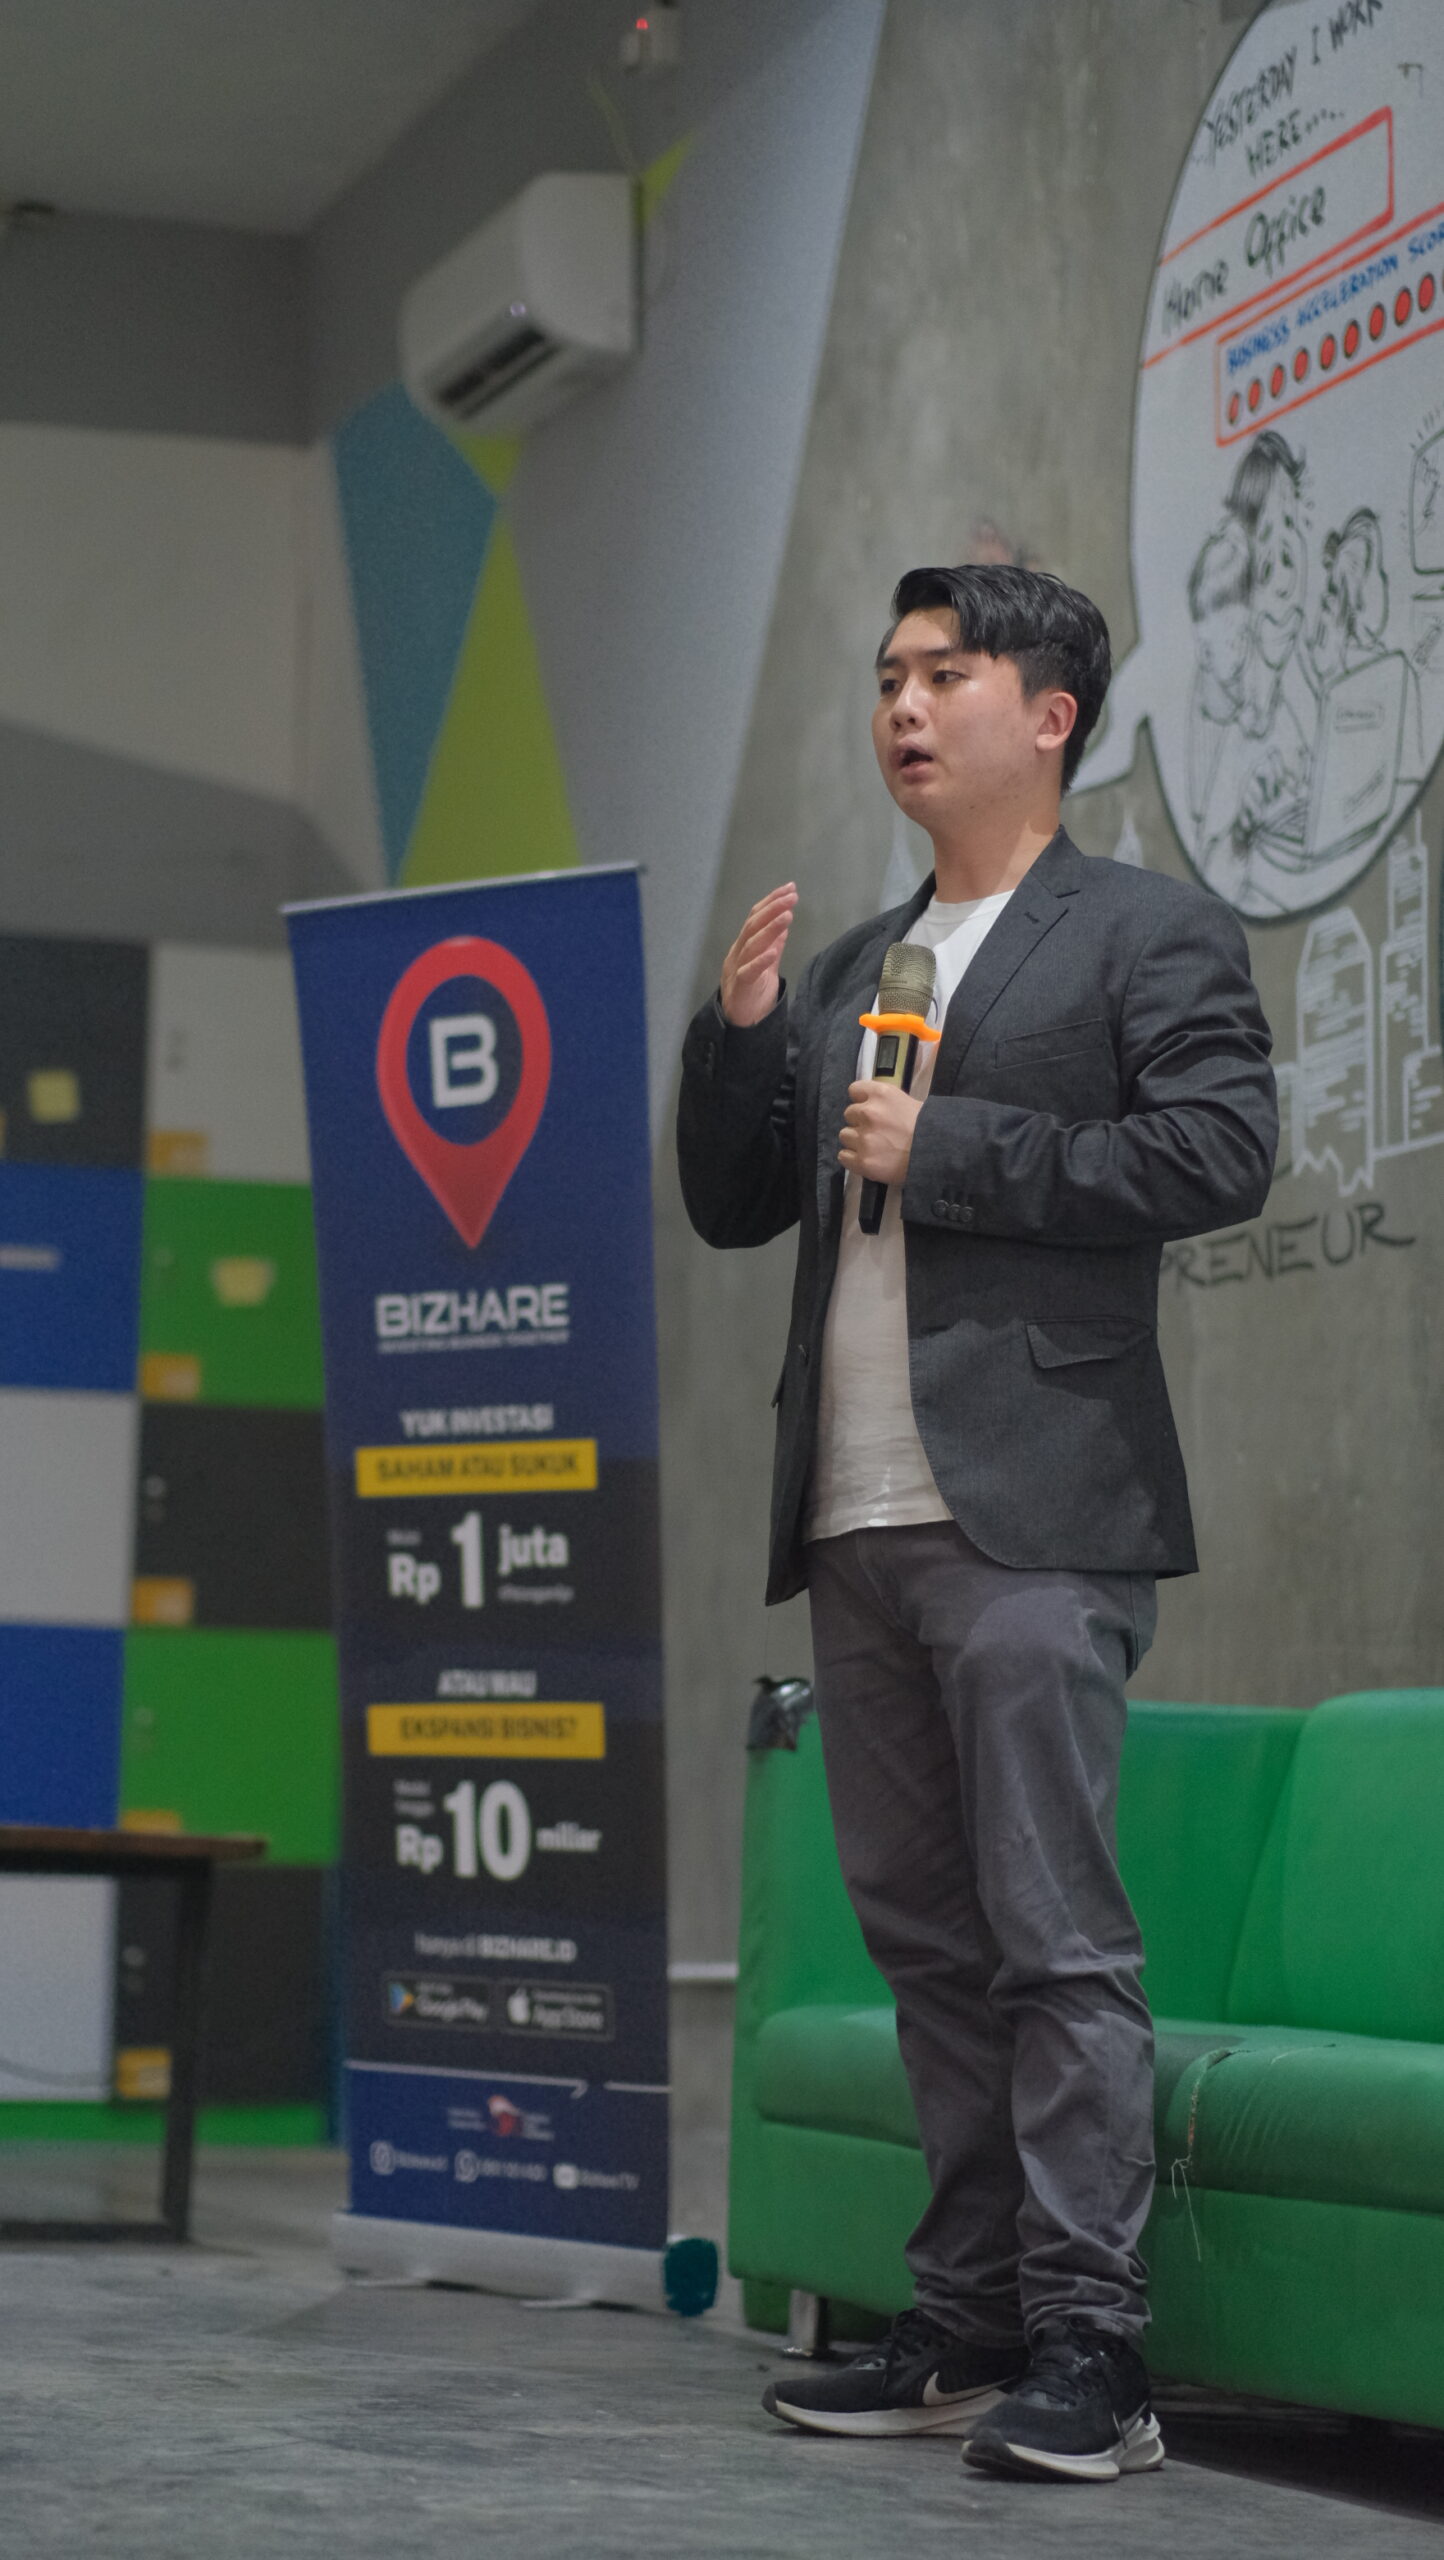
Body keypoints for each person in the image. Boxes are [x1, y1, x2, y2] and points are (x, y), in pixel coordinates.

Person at [675, 563, 1277, 2484]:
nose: (904, 707)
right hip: (853, 1510)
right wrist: (741, 1034)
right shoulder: (860, 959)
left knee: (1052, 1940)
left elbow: (1220, 1151)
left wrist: (957, 1147)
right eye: (887, 678)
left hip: (1036, 1506)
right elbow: (734, 1205)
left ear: (1052, 714)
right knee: (927, 1944)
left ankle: (1099, 2350)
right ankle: (969, 2317)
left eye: (945, 673)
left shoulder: (1144, 932)